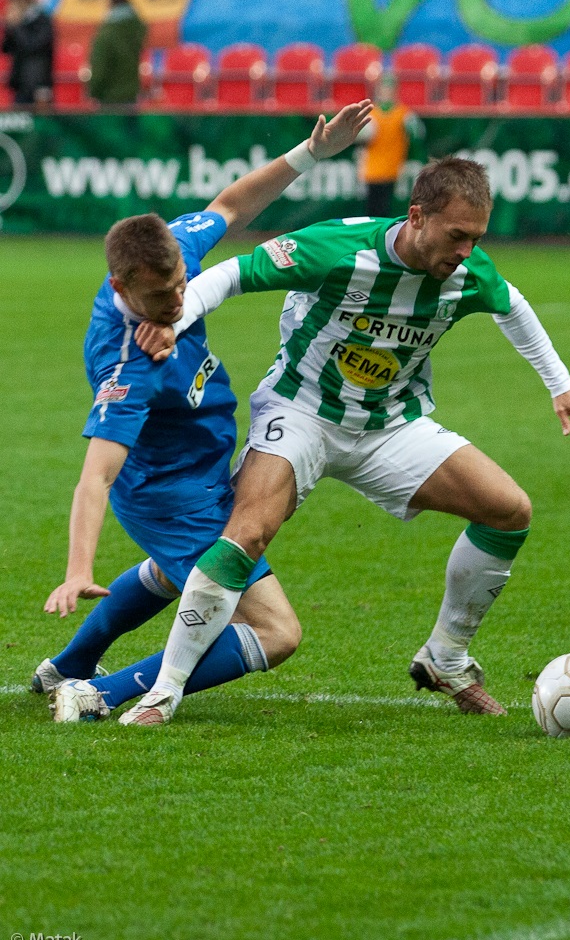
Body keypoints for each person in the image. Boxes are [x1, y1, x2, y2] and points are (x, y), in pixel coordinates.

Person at [115, 155, 570, 727]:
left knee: (509, 511)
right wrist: (177, 319)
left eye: (477, 238)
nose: (467, 251)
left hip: (389, 426)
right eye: (457, 236)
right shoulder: (339, 248)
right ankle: (163, 693)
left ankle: (445, 656)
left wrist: (562, 386)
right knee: (244, 533)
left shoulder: (467, 272)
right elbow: (233, 273)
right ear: (417, 216)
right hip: (301, 415)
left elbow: (513, 306)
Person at [35, 100, 373, 723]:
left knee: (172, 576)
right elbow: (95, 477)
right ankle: (97, 694)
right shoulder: (125, 363)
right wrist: (78, 569)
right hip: (169, 493)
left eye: (181, 287)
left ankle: (68, 665)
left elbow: (230, 207)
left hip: (203, 467)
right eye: (159, 298)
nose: (177, 301)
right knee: (277, 633)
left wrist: (309, 155)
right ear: (120, 290)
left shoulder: (175, 256)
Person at [355, 74, 425, 217]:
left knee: (386, 209)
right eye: (383, 89)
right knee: (371, 209)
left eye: (389, 89)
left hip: (392, 169)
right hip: (372, 169)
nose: (386, 92)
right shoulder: (371, 113)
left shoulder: (403, 113)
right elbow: (360, 139)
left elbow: (418, 133)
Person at [89, 0, 146, 107]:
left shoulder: (107, 34)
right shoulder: (136, 27)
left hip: (109, 98)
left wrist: (93, 92)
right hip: (131, 94)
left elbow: (99, 69)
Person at [1, 0, 54, 106]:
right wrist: (9, 28)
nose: (13, 4)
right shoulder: (17, 23)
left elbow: (33, 46)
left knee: (41, 123)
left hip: (38, 84)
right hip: (20, 84)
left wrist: (17, 26)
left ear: (26, 0)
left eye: (15, 0)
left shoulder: (42, 20)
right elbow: (6, 49)